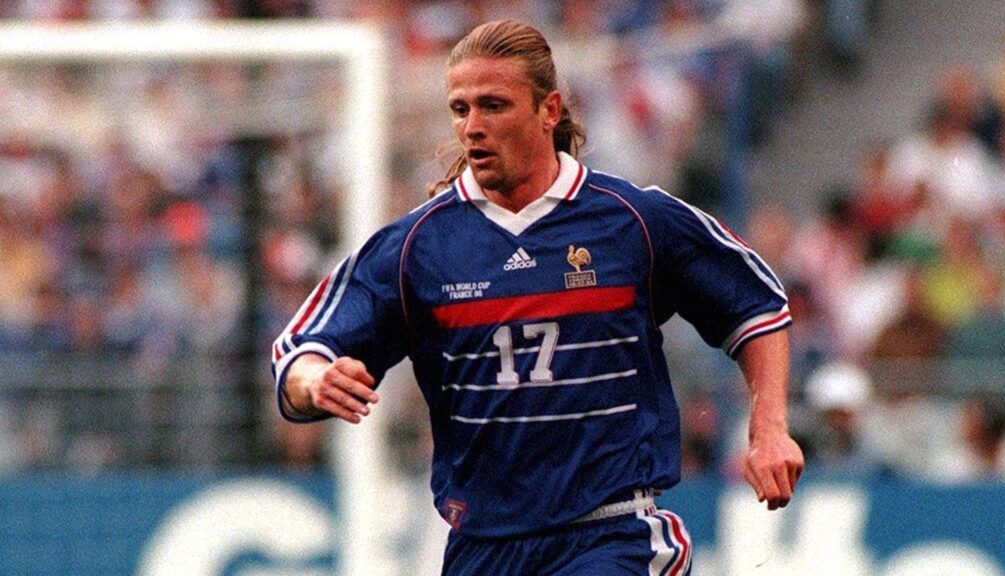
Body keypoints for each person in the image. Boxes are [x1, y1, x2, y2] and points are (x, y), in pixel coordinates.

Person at [271, 20, 802, 575]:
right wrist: (316, 380)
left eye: (493, 106)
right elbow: (301, 350)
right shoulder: (417, 247)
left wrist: (768, 427)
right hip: (483, 548)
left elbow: (756, 305)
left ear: (549, 110)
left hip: (612, 535)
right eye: (460, 109)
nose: (473, 127)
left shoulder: (633, 220)